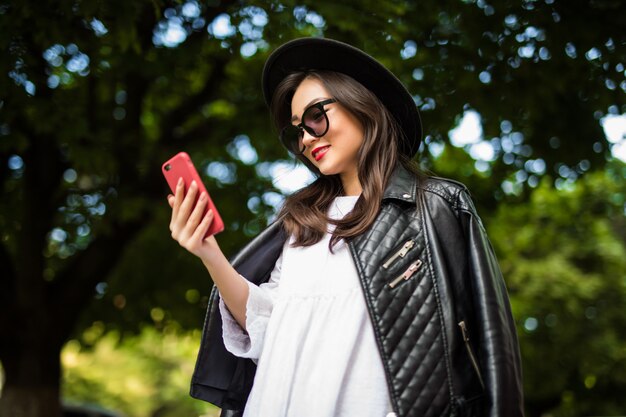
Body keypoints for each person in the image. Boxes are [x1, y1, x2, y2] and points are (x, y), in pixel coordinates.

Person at [167, 38, 524, 417]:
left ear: (361, 104)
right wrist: (208, 251)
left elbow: (490, 346)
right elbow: (267, 326)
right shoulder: (299, 224)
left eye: (315, 116)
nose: (306, 137)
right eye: (297, 130)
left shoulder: (434, 206)